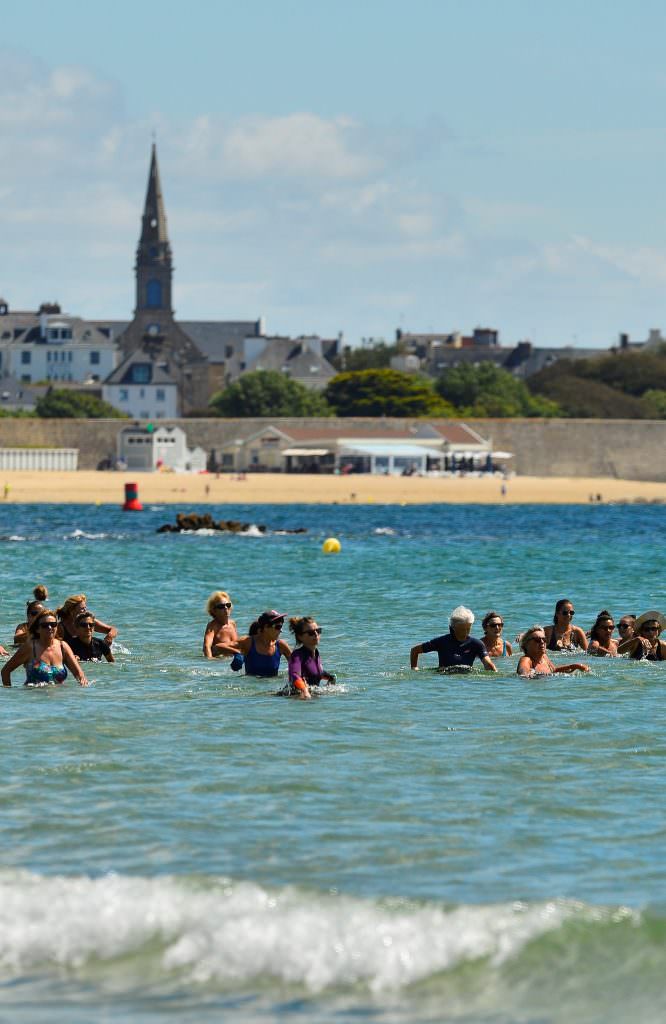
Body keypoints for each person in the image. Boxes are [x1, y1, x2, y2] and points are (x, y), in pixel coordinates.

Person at [2, 609, 88, 687]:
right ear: (37, 629)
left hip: (59, 700)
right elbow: (5, 671)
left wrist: (81, 695)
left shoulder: (63, 646)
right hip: (33, 699)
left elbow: (79, 675)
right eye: (44, 625)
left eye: (53, 624)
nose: (50, 628)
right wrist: (11, 694)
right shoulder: (30, 647)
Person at [410, 606, 497, 673]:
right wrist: (414, 669)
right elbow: (414, 650)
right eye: (462, 630)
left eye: (468, 629)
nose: (466, 632)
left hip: (467, 681)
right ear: (453, 628)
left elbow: (487, 663)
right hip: (444, 679)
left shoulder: (477, 644)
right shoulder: (441, 641)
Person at [285, 616, 337, 699]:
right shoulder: (297, 655)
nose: (316, 634)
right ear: (300, 636)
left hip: (312, 697)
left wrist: (331, 679)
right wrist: (304, 690)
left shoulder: (316, 654)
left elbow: (316, 672)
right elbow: (294, 675)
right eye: (311, 633)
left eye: (318, 631)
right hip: (296, 697)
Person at [517, 625, 590, 677]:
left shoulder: (544, 657)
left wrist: (575, 666)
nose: (542, 642)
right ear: (526, 645)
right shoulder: (526, 659)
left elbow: (554, 670)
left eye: (544, 639)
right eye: (537, 640)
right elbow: (523, 671)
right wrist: (526, 673)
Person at [235, 610, 292, 677]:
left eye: (281, 627)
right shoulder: (248, 642)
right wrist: (236, 653)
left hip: (273, 686)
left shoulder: (281, 645)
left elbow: (297, 665)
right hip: (252, 685)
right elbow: (221, 646)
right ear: (266, 627)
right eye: (278, 627)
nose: (280, 631)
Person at [202, 591, 239, 659]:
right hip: (219, 663)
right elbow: (206, 647)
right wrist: (210, 661)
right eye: (221, 606)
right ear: (214, 610)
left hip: (231, 661)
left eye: (228, 605)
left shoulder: (232, 624)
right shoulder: (212, 626)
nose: (225, 608)